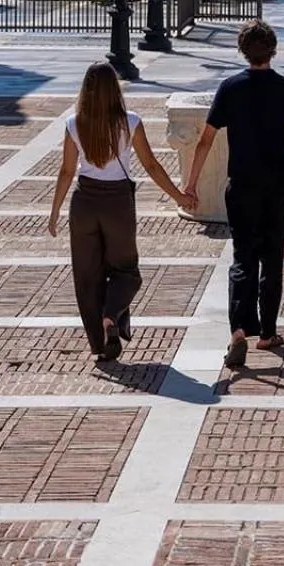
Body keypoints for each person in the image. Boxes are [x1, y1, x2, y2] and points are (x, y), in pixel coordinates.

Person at [47, 59, 194, 361]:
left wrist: (54, 211)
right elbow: (151, 165)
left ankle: (100, 346)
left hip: (84, 203)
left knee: (87, 277)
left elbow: (65, 171)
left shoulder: (75, 124)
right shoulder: (130, 121)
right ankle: (111, 315)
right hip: (117, 203)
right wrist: (178, 196)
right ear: (115, 89)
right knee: (126, 271)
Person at [183, 19, 284, 368]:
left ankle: (239, 330)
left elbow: (206, 139)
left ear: (242, 51)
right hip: (278, 183)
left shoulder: (230, 87)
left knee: (243, 257)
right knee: (273, 256)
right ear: (273, 50)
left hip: (241, 184)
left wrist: (191, 184)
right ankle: (267, 332)